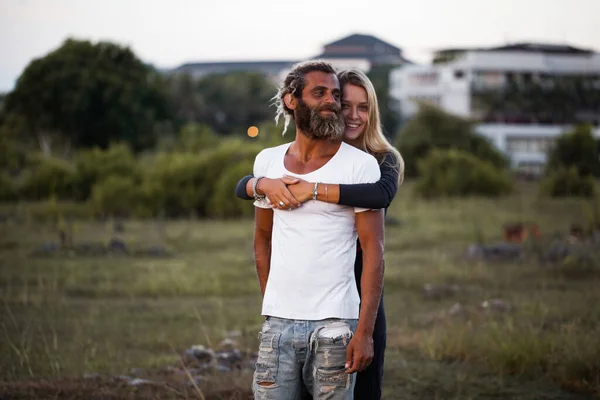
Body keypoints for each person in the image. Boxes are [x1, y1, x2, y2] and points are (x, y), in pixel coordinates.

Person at [235, 68, 404, 399]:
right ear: (293, 100)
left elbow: (379, 199)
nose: (346, 110)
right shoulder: (270, 161)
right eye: (339, 100)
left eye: (362, 106)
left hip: (348, 304)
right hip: (283, 316)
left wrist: (312, 190)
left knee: (366, 388)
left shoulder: (376, 162)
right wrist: (259, 183)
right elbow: (261, 235)